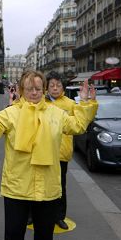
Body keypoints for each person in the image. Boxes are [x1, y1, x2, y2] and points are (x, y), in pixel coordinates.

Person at [0, 70, 97, 240]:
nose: (34, 92)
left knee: (44, 233)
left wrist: (86, 104)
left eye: (38, 88)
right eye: (29, 88)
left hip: (47, 186)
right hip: (17, 185)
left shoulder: (56, 113)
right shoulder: (11, 113)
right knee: (13, 232)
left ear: (44, 89)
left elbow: (77, 126)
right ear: (22, 89)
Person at [46, 71, 94, 230]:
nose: (55, 88)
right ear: (46, 87)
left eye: (58, 85)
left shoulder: (70, 104)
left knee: (60, 187)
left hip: (61, 153)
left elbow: (83, 120)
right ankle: (34, 215)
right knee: (39, 185)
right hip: (43, 152)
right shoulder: (41, 102)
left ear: (63, 87)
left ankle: (59, 217)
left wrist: (87, 101)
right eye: (51, 85)